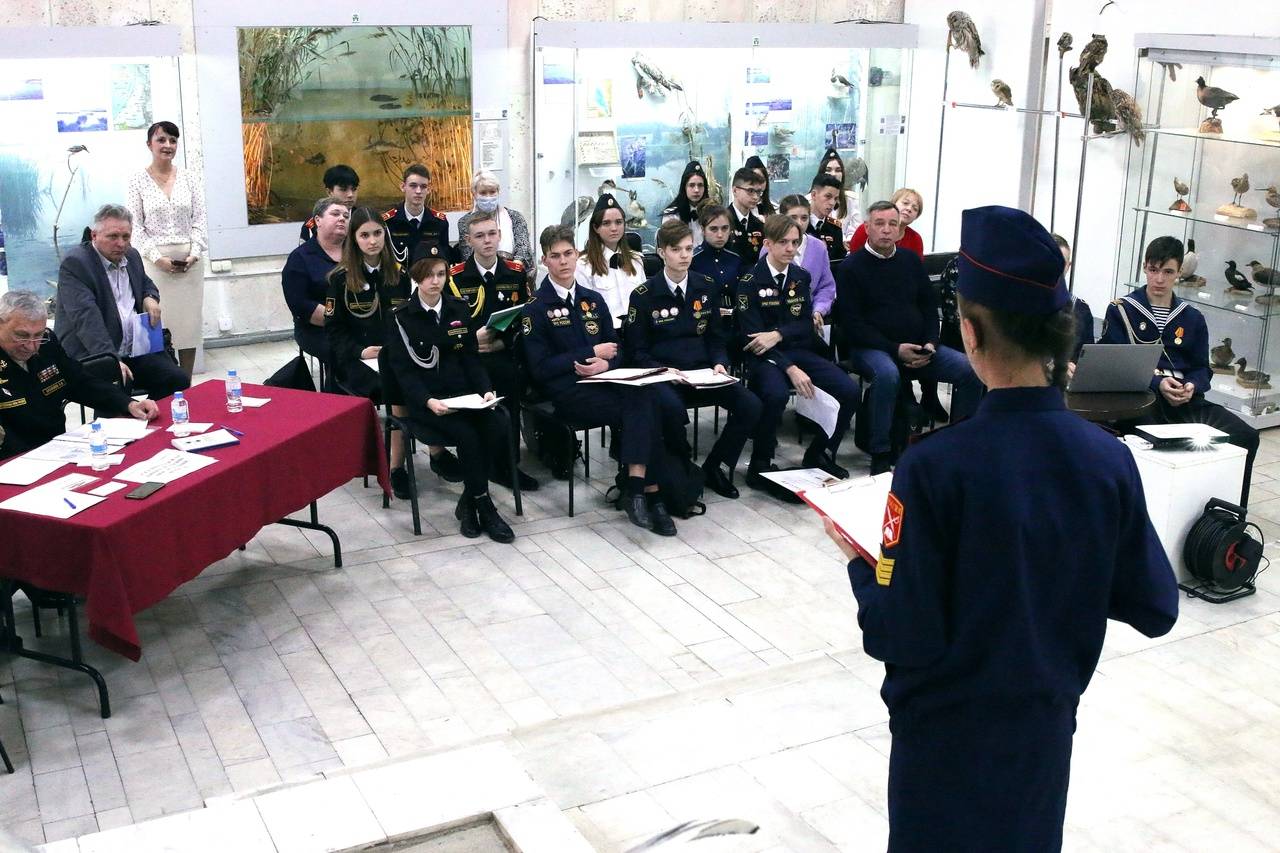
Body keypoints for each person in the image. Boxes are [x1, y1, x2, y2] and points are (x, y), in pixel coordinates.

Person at [829, 204, 1178, 852]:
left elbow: (899, 630)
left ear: (969, 332)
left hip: (942, 746)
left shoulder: (933, 467)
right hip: (1041, 741)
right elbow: (1156, 607)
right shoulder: (1107, 459)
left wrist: (862, 567)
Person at [521, 224, 684, 535]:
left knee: (646, 397)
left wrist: (605, 362)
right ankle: (649, 494)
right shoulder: (536, 309)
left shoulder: (593, 300)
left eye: (568, 253)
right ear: (544, 261)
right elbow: (539, 368)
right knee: (642, 406)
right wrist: (589, 353)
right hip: (567, 392)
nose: (563, 261)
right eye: (555, 256)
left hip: (603, 382)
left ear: (577, 254)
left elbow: (617, 349)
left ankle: (638, 489)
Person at [1100, 235, 1260, 506]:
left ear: (1179, 272)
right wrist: (1157, 383)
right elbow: (1112, 365)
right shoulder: (1122, 310)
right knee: (1161, 445)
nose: (1159, 279)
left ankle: (1230, 515)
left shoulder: (1192, 317)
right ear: (1144, 267)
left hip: (1186, 402)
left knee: (1246, 436)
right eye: (1153, 270)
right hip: (1141, 401)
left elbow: (1202, 369)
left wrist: (1192, 386)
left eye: (1167, 272)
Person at [835, 201, 982, 475]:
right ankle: (881, 451)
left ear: (899, 230)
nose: (886, 230)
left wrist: (931, 342)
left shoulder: (910, 261)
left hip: (919, 346)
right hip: (871, 348)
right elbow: (853, 325)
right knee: (888, 374)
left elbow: (928, 307)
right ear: (867, 228)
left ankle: (961, 445)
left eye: (893, 224)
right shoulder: (851, 267)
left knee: (970, 370)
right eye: (879, 224)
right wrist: (895, 349)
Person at [385, 251, 516, 543]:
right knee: (468, 435)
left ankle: (470, 501)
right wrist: (427, 401)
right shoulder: (402, 318)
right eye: (428, 275)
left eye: (441, 274)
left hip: (463, 397)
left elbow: (471, 359)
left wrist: (485, 390)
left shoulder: (459, 308)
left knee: (497, 423)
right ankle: (484, 506)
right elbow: (404, 372)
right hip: (428, 402)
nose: (435, 281)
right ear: (416, 277)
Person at [626, 220, 762, 499]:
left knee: (751, 404)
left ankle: (715, 465)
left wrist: (720, 362)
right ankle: (681, 470)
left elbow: (716, 336)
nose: (684, 255)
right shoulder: (643, 296)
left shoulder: (705, 286)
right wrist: (663, 370)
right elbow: (637, 351)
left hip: (702, 371)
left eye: (689, 248)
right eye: (676, 249)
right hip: (665, 374)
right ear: (662, 252)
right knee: (672, 410)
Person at [738, 214, 860, 489]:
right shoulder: (749, 280)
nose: (791, 248)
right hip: (764, 358)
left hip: (797, 349)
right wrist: (789, 368)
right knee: (775, 393)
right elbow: (752, 339)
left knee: (850, 390)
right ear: (768, 244)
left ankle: (820, 452)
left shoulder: (800, 277)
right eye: (784, 242)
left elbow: (805, 324)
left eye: (795, 242)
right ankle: (760, 462)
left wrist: (778, 334)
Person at [323, 206, 417, 500]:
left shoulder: (398, 274)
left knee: (420, 378)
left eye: (377, 233)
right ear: (354, 238)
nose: (372, 241)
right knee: (398, 387)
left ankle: (432, 452)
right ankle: (395, 467)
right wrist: (360, 351)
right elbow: (334, 331)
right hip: (358, 360)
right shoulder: (340, 279)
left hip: (393, 355)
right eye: (365, 235)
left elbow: (408, 321)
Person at [0, 290, 159, 459]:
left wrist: (128, 403)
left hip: (56, 448)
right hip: (13, 457)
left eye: (38, 335)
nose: (32, 347)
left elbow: (79, 382)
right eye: (21, 336)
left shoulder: (47, 343)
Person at [54, 203, 190, 399]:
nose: (121, 243)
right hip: (93, 352)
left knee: (177, 379)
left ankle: (149, 415)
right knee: (117, 388)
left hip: (133, 348)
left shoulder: (131, 256)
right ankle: (124, 414)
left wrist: (150, 298)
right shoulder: (76, 264)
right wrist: (111, 360)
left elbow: (145, 283)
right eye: (113, 237)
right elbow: (86, 320)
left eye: (126, 237)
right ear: (94, 235)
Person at [449, 209, 539, 491]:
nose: (487, 240)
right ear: (468, 241)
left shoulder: (515, 272)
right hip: (467, 356)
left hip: (503, 351)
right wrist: (470, 341)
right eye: (479, 236)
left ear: (499, 236)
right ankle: (479, 465)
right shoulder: (455, 277)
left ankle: (508, 465)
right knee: (475, 394)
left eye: (491, 234)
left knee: (510, 386)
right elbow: (447, 324)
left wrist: (504, 342)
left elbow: (526, 317)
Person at [125, 120, 207, 376]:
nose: (168, 145)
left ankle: (186, 383)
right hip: (154, 265)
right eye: (161, 140)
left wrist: (194, 254)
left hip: (190, 265)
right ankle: (165, 382)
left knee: (188, 328)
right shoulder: (137, 180)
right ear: (149, 144)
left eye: (173, 140)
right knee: (157, 325)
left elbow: (200, 220)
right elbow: (135, 227)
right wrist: (157, 258)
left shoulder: (190, 178)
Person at [282, 197, 348, 363]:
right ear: (318, 220)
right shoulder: (300, 258)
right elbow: (301, 304)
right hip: (317, 328)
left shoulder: (357, 252)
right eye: (335, 214)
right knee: (346, 352)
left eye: (346, 216)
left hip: (359, 323)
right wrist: (343, 321)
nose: (342, 218)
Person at [763, 195, 837, 336]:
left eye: (804, 218)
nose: (799, 223)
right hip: (776, 321)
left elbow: (826, 286)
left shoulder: (819, 247)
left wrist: (818, 310)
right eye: (793, 218)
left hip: (810, 319)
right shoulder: (770, 247)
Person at [576, 194, 645, 325]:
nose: (614, 228)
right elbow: (584, 310)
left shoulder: (636, 260)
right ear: (595, 228)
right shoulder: (583, 265)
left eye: (618, 222)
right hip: (604, 331)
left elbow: (644, 301)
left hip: (636, 329)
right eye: (606, 223)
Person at [454, 170, 534, 274]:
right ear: (474, 194)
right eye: (483, 193)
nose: (488, 196)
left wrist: (512, 272)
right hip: (479, 275)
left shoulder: (515, 217)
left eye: (492, 192)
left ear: (498, 192)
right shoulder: (465, 222)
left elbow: (523, 249)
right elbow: (467, 255)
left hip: (513, 273)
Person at [383, 163, 453, 269]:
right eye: (413, 186)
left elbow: (444, 259)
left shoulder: (439, 222)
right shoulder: (389, 222)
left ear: (429, 189)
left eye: (423, 186)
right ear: (403, 187)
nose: (418, 191)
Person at [689, 206, 743, 313]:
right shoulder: (693, 260)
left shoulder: (735, 259)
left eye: (725, 228)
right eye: (713, 229)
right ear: (703, 230)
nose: (720, 235)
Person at [1053, 233, 1093, 369]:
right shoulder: (1021, 305)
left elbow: (1088, 360)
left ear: (1068, 266)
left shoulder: (1081, 310)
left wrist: (1074, 368)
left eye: (1062, 263)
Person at [848, 187, 925, 257]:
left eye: (915, 208)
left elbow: (916, 266)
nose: (909, 209)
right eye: (905, 203)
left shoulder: (916, 239)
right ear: (893, 203)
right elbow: (854, 259)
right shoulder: (866, 229)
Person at [299, 165, 359, 243]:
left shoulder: (365, 218)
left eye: (354, 189)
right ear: (329, 192)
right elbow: (304, 250)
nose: (350, 195)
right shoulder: (313, 225)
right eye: (344, 189)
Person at [815, 147, 863, 244]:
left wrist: (844, 241)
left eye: (838, 170)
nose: (833, 174)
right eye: (828, 170)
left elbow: (856, 230)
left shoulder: (851, 199)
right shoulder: (808, 200)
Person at [726, 168, 766, 271]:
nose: (756, 197)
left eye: (758, 192)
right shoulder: (723, 221)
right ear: (735, 191)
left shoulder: (759, 225)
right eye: (750, 191)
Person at [661, 161, 709, 246]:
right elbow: (670, 245)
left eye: (700, 185)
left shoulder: (711, 212)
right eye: (692, 185)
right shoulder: (672, 215)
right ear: (684, 187)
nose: (696, 190)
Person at [807, 174, 848, 262]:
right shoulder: (800, 224)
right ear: (814, 195)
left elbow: (839, 260)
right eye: (828, 196)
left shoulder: (835, 228)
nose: (832, 203)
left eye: (835, 198)